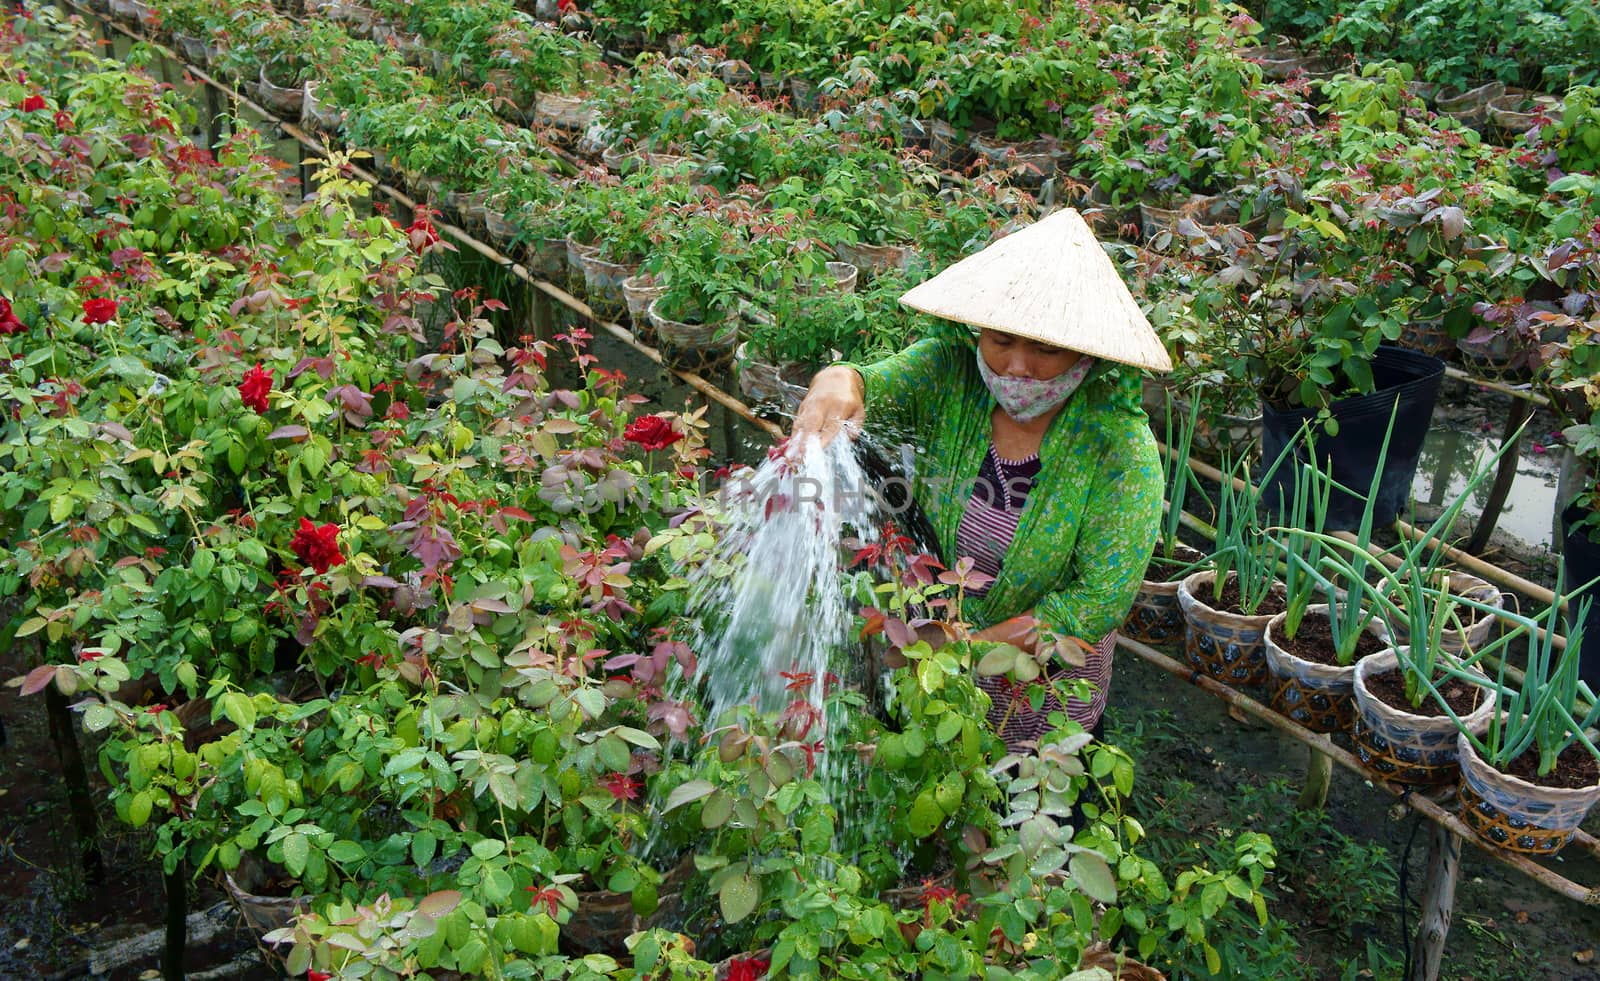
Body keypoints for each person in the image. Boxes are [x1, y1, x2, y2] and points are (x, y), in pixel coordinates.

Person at [790, 209, 1169, 750]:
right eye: (999, 340)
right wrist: (836, 382)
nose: (1016, 366)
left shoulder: (1118, 451)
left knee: (1022, 803)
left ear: (1087, 356)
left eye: (1045, 348)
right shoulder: (952, 376)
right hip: (929, 654)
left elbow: (1089, 607)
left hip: (1041, 695)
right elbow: (867, 381)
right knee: (925, 770)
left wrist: (964, 651)